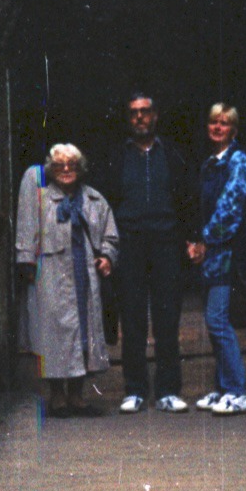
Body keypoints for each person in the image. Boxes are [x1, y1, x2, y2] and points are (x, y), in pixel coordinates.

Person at [101, 91, 194, 414]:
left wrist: (192, 238)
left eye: (145, 111)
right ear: (128, 119)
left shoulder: (173, 154)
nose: (140, 117)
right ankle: (136, 390)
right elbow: (106, 202)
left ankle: (168, 390)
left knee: (168, 317)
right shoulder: (116, 157)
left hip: (167, 242)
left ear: (156, 116)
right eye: (133, 113)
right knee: (133, 317)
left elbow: (188, 198)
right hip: (130, 244)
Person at [15, 143, 118, 417]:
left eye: (71, 165)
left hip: (85, 276)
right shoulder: (40, 198)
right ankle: (57, 396)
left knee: (84, 335)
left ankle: (77, 395)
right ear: (52, 169)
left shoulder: (95, 200)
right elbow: (26, 231)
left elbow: (110, 236)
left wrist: (107, 256)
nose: (66, 170)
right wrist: (25, 261)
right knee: (52, 335)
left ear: (80, 168)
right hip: (50, 276)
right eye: (60, 165)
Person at [188, 103, 246, 416]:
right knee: (216, 321)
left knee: (217, 320)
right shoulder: (208, 164)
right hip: (211, 255)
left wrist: (205, 241)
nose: (218, 127)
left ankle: (238, 392)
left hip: (229, 253)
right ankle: (222, 388)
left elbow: (230, 210)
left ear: (234, 130)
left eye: (225, 123)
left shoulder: (239, 161)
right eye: (213, 122)